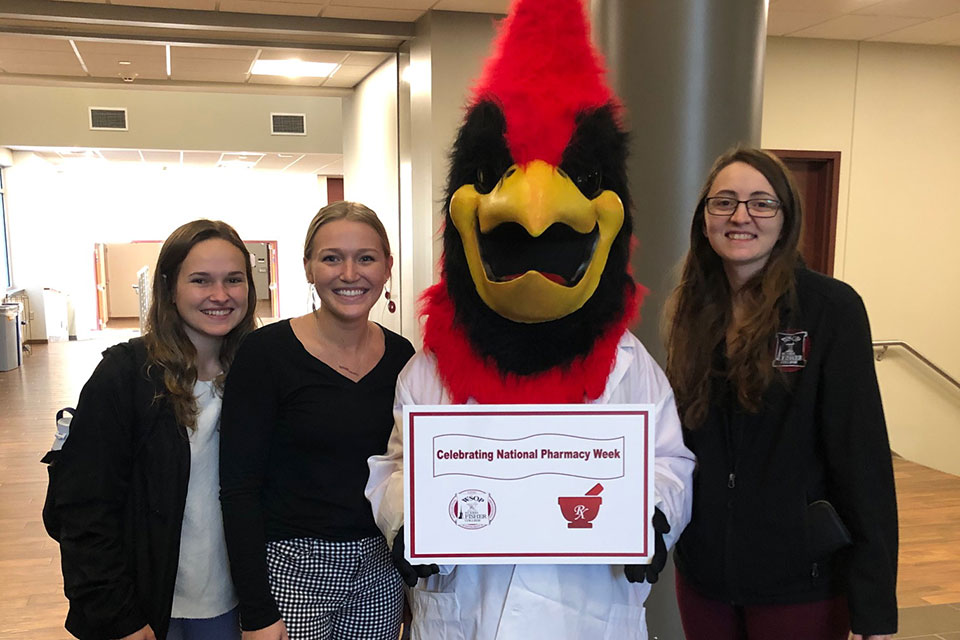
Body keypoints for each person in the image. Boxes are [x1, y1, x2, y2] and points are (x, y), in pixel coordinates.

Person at [664, 147, 898, 640]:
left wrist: (874, 608)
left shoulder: (830, 309)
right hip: (705, 576)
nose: (741, 216)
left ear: (785, 217)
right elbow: (675, 444)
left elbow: (863, 460)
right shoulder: (691, 312)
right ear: (704, 218)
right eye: (723, 201)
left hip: (802, 581)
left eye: (761, 203)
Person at [52, 219, 257, 640]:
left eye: (233, 280)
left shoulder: (257, 373)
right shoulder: (125, 376)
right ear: (169, 288)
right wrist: (116, 614)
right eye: (201, 280)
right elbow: (82, 508)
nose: (220, 295)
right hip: (145, 605)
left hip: (229, 602)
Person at [220, 201, 412, 640]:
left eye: (365, 258)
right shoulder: (265, 354)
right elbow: (238, 488)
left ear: (387, 267)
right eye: (331, 258)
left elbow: (407, 471)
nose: (349, 274)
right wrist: (257, 611)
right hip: (291, 570)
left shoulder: (404, 358)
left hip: (377, 570)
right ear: (307, 267)